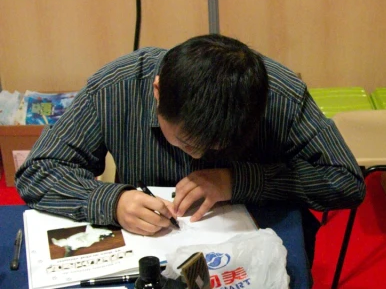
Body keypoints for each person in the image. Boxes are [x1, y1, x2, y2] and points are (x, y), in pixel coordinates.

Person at [16, 34, 365, 260]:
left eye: (219, 145)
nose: (197, 156)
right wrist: (113, 201)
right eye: (185, 141)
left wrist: (238, 181)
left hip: (255, 246)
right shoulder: (117, 87)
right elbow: (39, 171)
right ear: (157, 92)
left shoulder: (280, 95)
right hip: (149, 250)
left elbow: (345, 181)